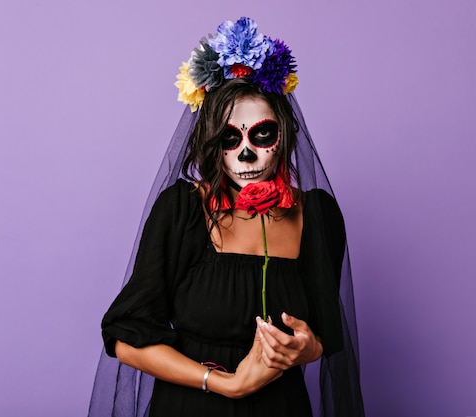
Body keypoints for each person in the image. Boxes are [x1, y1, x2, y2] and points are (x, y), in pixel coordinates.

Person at [88, 17, 365, 417]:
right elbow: (124, 338)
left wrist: (306, 346)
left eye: (262, 135)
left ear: (284, 135)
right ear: (210, 145)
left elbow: (323, 337)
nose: (246, 154)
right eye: (229, 139)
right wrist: (226, 384)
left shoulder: (318, 216)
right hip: (191, 406)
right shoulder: (182, 210)